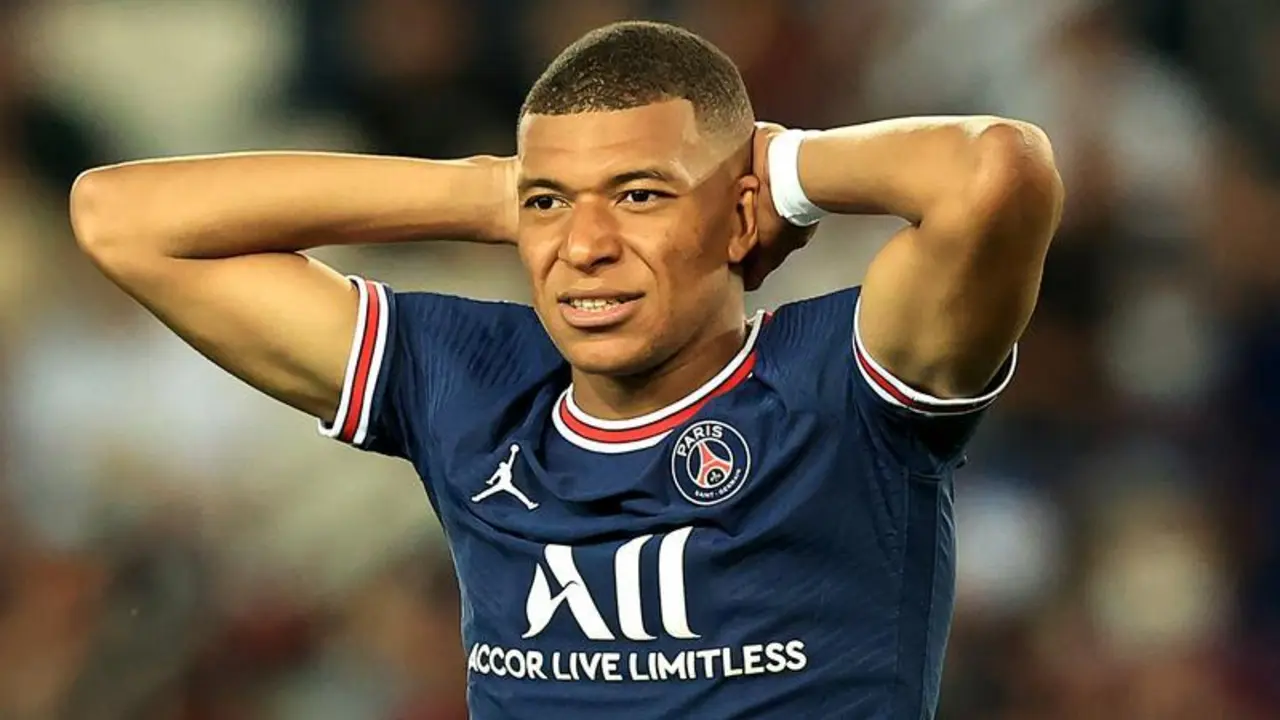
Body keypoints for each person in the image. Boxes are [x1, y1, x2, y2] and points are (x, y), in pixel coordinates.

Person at [69, 20, 1062, 720]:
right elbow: (121, 220)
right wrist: (486, 192)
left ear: (737, 217)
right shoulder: (473, 381)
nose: (582, 246)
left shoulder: (843, 384)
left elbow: (993, 174)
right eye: (550, 205)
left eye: (638, 196)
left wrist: (781, 174)